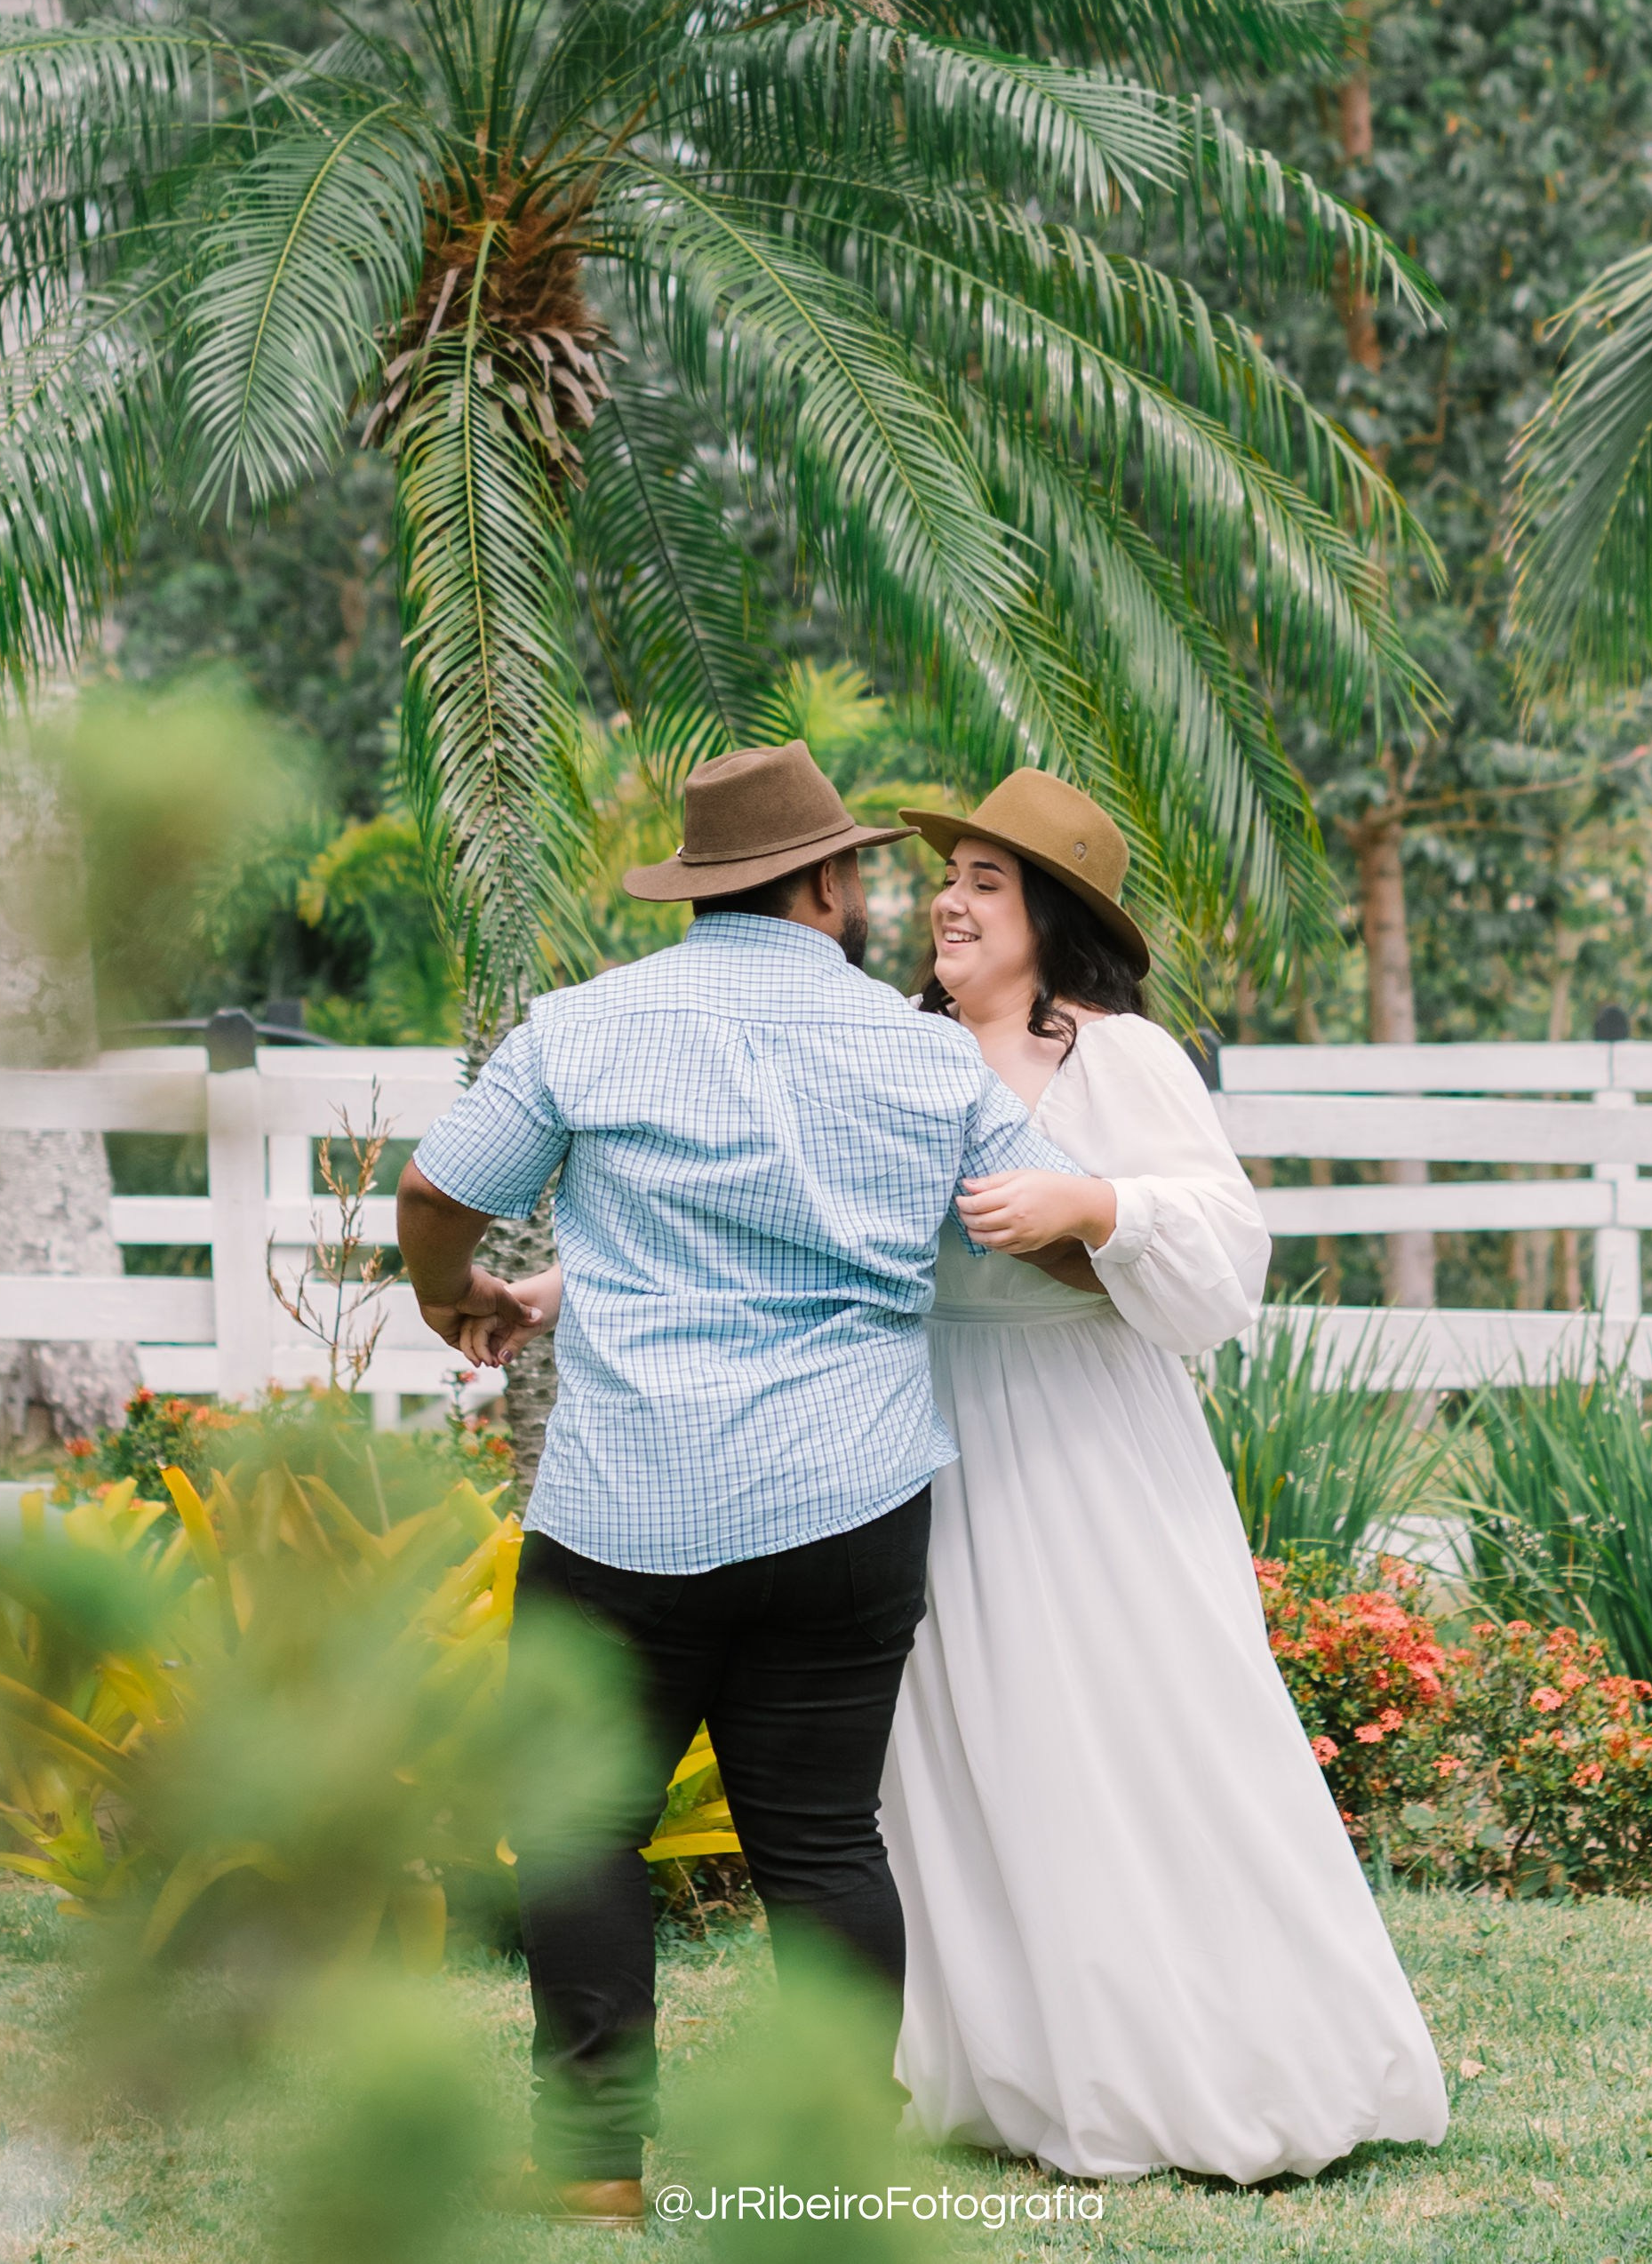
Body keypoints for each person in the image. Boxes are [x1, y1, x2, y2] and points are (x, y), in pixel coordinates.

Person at [395, 741, 1095, 2227]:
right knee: (825, 1842)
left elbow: (435, 1190)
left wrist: (454, 1293)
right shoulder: (923, 1057)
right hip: (849, 1497)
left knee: (584, 1828)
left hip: (623, 1506)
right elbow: (1040, 1235)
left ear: (699, 885)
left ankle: (590, 2163)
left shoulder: (583, 1029)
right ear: (832, 884)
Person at [877, 766, 1450, 2184]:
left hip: (1090, 1434)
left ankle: (1227, 2063)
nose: (947, 899)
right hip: (933, 1428)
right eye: (946, 877)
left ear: (1048, 915)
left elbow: (1220, 1249)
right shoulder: (891, 1047)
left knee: (1142, 1723)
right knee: (982, 1743)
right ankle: (1023, 2072)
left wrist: (1093, 1201)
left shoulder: (1118, 1058)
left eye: (984, 882)